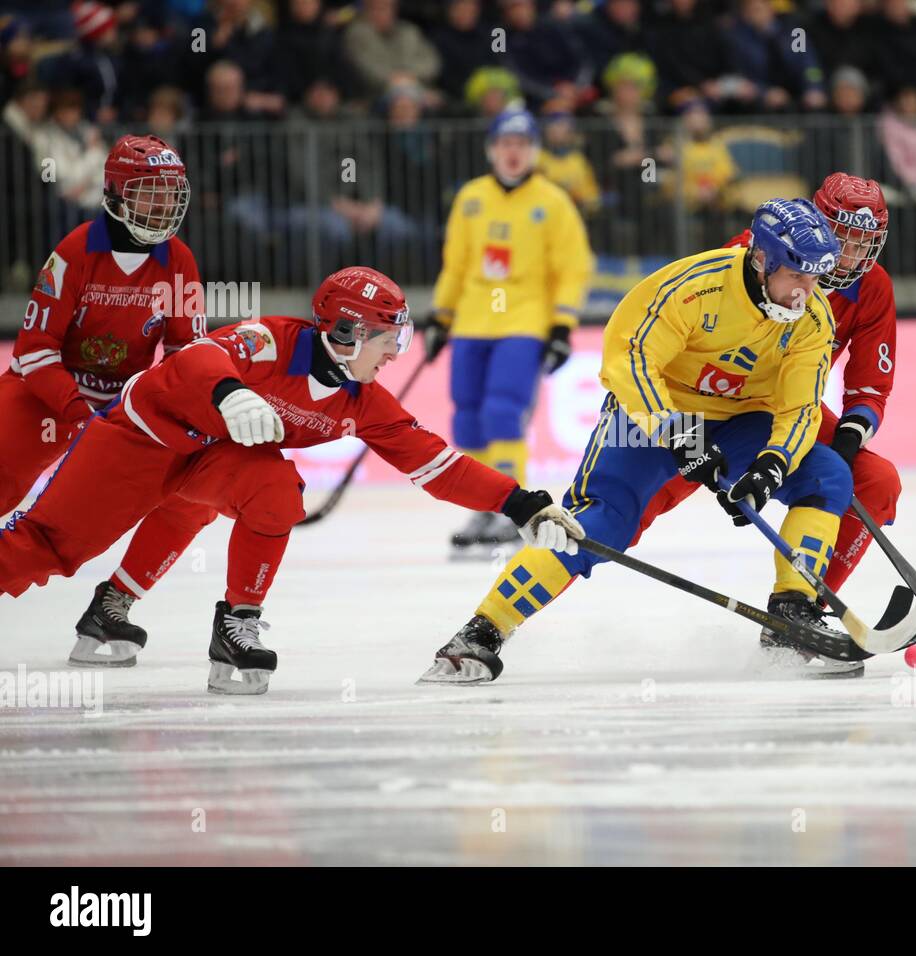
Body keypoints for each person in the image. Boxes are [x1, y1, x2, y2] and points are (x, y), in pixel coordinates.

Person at [0, 267, 584, 696]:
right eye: (389, 340)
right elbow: (196, 359)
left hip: (205, 461)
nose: (394, 355)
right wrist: (230, 392)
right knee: (47, 550)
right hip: (136, 444)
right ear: (349, 333)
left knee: (275, 491)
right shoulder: (273, 341)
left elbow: (434, 463)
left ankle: (237, 624)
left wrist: (521, 503)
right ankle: (104, 597)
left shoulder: (366, 401)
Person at [420, 198, 853, 685]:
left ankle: (791, 614)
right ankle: (481, 633)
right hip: (651, 414)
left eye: (815, 279)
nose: (807, 292)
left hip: (741, 421)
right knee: (599, 524)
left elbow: (799, 409)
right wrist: (679, 434)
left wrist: (770, 466)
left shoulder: (813, 320)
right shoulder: (693, 287)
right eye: (797, 276)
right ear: (762, 260)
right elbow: (628, 357)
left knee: (827, 475)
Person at [632, 174, 901, 677]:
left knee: (874, 481)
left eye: (865, 242)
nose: (851, 254)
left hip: (793, 410)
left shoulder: (874, 286)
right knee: (627, 514)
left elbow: (870, 384)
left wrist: (845, 441)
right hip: (714, 405)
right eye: (843, 237)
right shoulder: (757, 255)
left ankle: (798, 618)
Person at [0, 134, 217, 668]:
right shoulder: (74, 252)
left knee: (194, 490)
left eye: (171, 195)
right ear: (116, 197)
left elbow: (185, 350)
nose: (163, 206)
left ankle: (113, 603)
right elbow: (33, 350)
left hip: (121, 410)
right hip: (44, 399)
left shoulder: (178, 260)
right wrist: (76, 413)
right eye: (149, 193)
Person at [427, 108, 594, 556]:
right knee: (467, 417)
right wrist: (441, 316)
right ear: (492, 150)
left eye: (522, 144)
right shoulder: (471, 198)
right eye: (505, 144)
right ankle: (483, 504)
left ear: (534, 151)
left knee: (503, 411)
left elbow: (573, 267)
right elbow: (456, 263)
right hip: (472, 321)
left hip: (524, 321)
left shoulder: (552, 201)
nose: (513, 152)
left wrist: (562, 323)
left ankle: (509, 507)